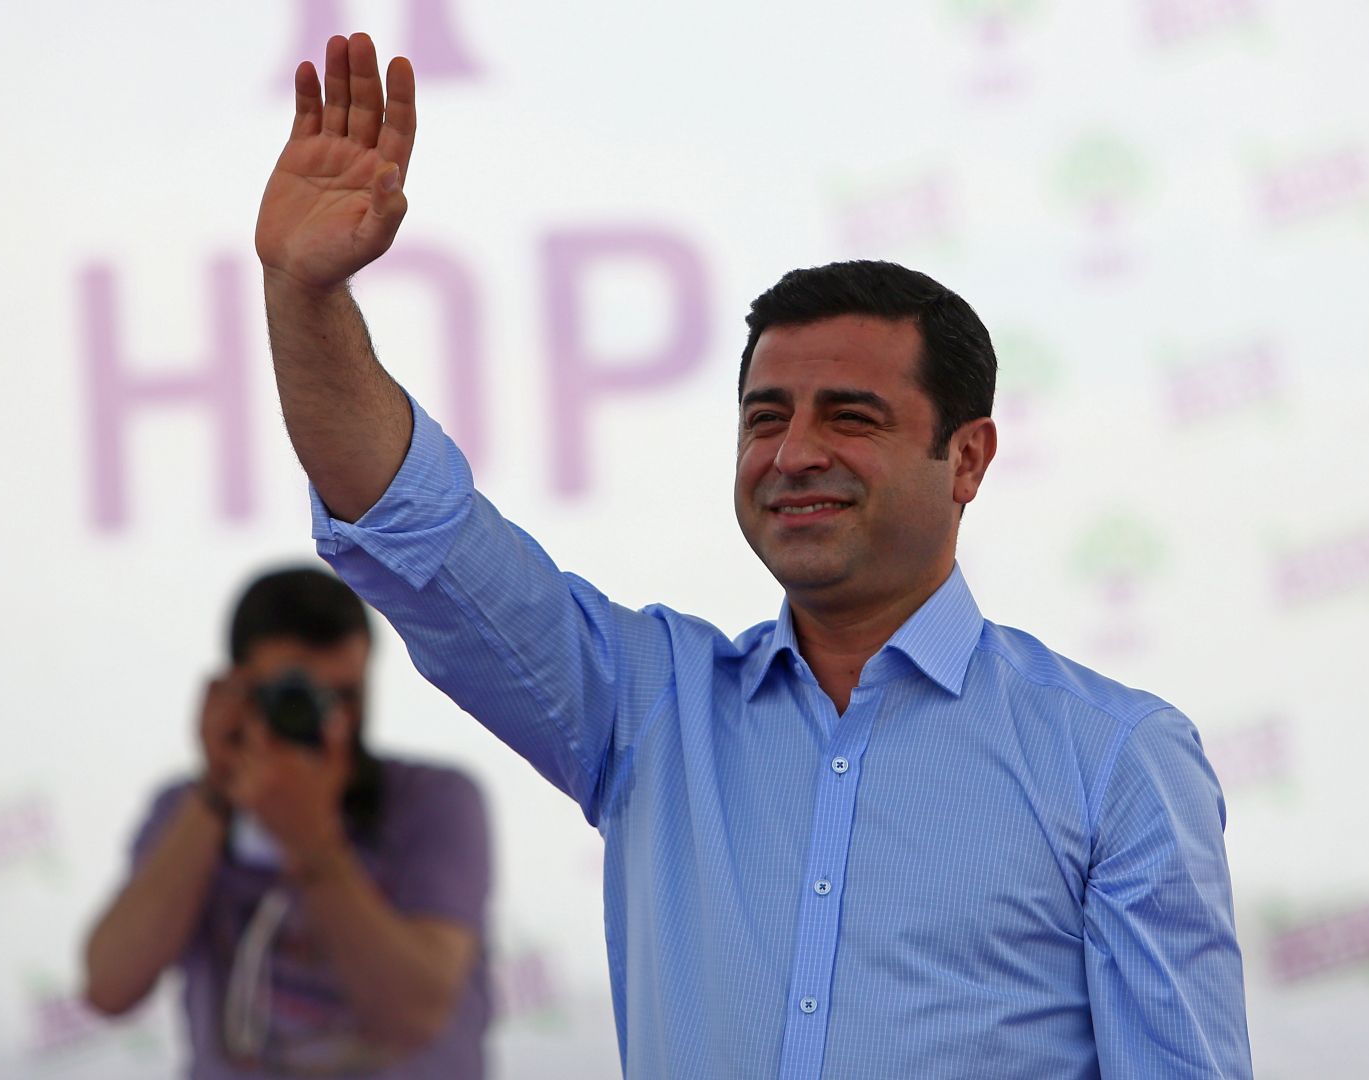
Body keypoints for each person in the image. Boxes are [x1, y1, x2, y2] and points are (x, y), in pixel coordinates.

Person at [254, 30, 1252, 1079]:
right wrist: (303, 297)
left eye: (850, 417)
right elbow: (418, 529)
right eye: (765, 415)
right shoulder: (648, 708)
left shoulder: (1112, 760)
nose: (794, 453)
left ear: (967, 457)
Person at [82, 566, 492, 1078]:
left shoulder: (432, 802)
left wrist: (314, 843)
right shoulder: (189, 812)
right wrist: (217, 791)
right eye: (296, 697)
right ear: (236, 692)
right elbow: (109, 987)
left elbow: (413, 1017)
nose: (328, 723)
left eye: (345, 696)